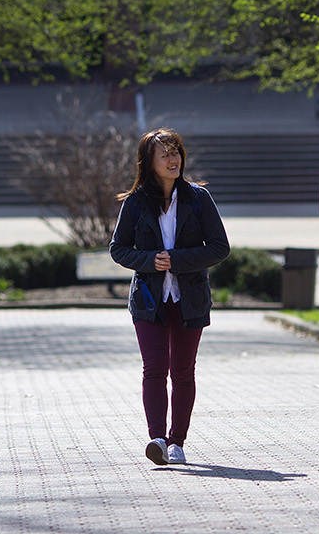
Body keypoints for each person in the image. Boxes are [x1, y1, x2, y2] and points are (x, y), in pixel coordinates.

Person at [110, 128, 230, 467]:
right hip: (149, 300)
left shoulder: (198, 198)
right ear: (149, 162)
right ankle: (157, 439)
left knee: (183, 371)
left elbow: (220, 247)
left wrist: (176, 259)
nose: (173, 158)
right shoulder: (134, 202)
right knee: (154, 369)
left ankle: (177, 442)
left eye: (176, 151)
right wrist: (150, 261)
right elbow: (118, 248)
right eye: (165, 154)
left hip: (189, 298)